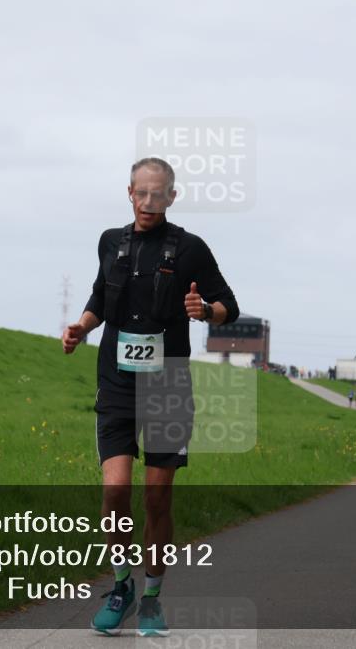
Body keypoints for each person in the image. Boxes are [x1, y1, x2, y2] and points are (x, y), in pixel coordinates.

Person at [62, 157, 239, 636]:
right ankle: (122, 585)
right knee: (115, 491)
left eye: (157, 194)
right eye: (140, 193)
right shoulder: (110, 243)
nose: (148, 202)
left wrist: (205, 310)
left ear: (171, 197)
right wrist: (80, 326)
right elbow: (101, 298)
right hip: (117, 382)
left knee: (156, 499)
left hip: (168, 387)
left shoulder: (190, 250)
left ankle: (154, 597)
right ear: (129, 192)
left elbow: (230, 306)